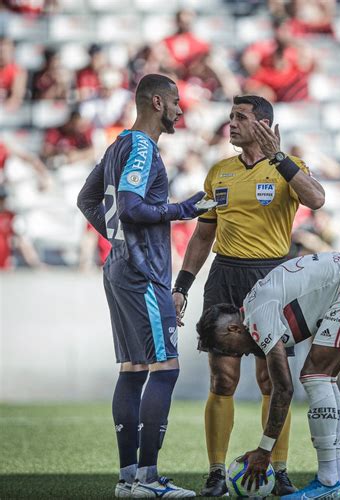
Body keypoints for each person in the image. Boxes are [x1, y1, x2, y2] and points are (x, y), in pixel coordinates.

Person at [172, 95, 325, 496]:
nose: (231, 124)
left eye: (240, 117)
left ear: (263, 125)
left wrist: (280, 159)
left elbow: (317, 199)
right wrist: (182, 286)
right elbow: (204, 234)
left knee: (270, 379)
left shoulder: (288, 168)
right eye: (230, 117)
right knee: (222, 378)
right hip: (224, 277)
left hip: (273, 278)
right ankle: (217, 473)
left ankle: (279, 467)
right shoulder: (218, 172)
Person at [77, 73, 214, 498]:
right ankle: (149, 480)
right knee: (165, 369)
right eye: (175, 103)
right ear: (157, 102)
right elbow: (134, 207)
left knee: (134, 369)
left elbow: (86, 199)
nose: (179, 110)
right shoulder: (140, 146)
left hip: (118, 267)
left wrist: (118, 239)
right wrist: (184, 208)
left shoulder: (118, 145)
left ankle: (128, 480)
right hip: (142, 272)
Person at [196, 251, 340, 499]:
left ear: (234, 328)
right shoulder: (254, 306)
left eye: (227, 347)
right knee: (322, 376)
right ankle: (335, 478)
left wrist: (264, 451)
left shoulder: (258, 315)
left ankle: (330, 481)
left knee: (316, 375)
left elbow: (283, 388)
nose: (236, 355)